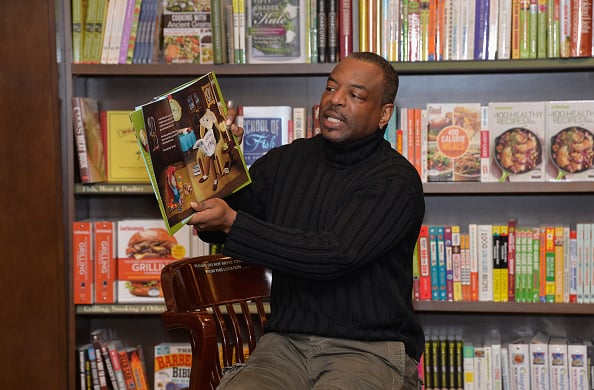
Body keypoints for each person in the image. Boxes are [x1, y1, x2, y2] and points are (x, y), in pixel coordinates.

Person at [188, 51, 425, 390]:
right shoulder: (286, 160)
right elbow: (233, 219)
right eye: (331, 88)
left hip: (368, 350)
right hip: (285, 344)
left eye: (355, 95)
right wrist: (224, 164)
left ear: (384, 114)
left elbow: (334, 254)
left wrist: (232, 223)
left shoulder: (395, 180)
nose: (336, 100)